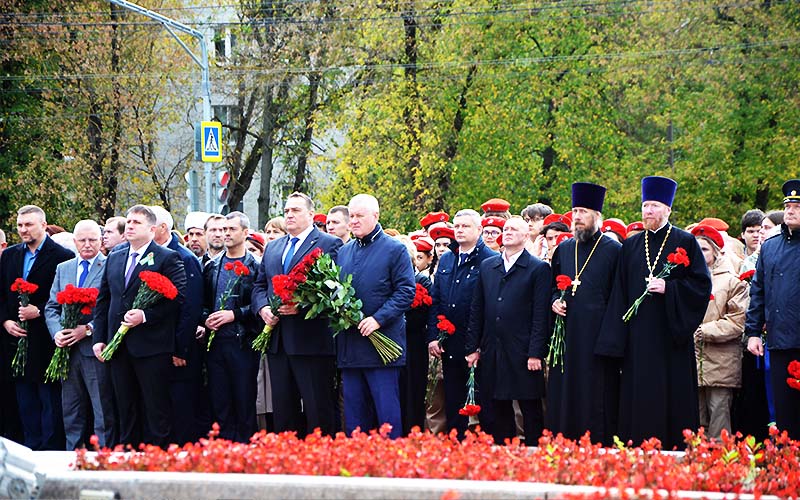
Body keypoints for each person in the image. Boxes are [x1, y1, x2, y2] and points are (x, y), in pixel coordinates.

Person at [596, 176, 711, 449]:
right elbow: (619, 295)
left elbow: (700, 286)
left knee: (671, 395)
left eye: (654, 206)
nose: (648, 211)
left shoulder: (685, 241)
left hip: (670, 338)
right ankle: (637, 446)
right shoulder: (632, 246)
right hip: (638, 338)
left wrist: (669, 289)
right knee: (638, 396)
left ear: (668, 209)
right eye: (645, 206)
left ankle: (674, 448)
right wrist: (615, 341)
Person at [91, 205, 187, 447]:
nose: (130, 226)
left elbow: (178, 298)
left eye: (136, 222)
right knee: (125, 406)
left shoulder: (167, 257)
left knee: (155, 407)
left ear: (152, 229)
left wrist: (145, 316)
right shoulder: (115, 255)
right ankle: (128, 456)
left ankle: (157, 458)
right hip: (118, 345)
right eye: (128, 222)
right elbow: (104, 300)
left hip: (151, 346)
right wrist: (99, 338)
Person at [252, 192, 343, 436]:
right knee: (283, 409)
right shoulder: (274, 247)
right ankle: (288, 461)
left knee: (317, 408)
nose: (289, 215)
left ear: (311, 215)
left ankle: (321, 462)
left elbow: (334, 289)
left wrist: (301, 306)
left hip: (311, 340)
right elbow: (260, 285)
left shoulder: (328, 243)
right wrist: (262, 309)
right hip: (278, 340)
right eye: (286, 211)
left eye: (295, 210)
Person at [546, 183, 622, 445]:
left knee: (595, 396)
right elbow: (553, 287)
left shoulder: (614, 251)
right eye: (574, 211)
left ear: (597, 216)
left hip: (597, 340)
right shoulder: (564, 250)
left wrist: (609, 340)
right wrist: (555, 301)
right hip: (566, 338)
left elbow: (619, 299)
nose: (576, 217)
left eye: (583, 212)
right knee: (564, 393)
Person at [465, 217, 550, 445]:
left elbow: (541, 315)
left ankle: (534, 453)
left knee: (529, 406)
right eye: (506, 229)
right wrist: (472, 347)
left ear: (525, 236)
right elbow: (477, 308)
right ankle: (504, 453)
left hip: (522, 350)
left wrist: (535, 353)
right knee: (496, 405)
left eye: (514, 229)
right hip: (493, 348)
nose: (508, 232)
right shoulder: (488, 266)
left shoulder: (537, 268)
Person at [337, 194, 415, 439]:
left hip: (383, 347)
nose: (354, 221)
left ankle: (391, 465)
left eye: (360, 216)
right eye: (351, 216)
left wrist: (378, 319)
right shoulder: (344, 251)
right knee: (354, 416)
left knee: (386, 415)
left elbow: (405, 291)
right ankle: (357, 465)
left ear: (376, 216)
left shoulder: (395, 249)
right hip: (351, 347)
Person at [0, 205, 74, 450]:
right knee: (25, 404)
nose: (23, 230)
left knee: (49, 403)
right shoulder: (10, 256)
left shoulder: (61, 256)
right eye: (20, 225)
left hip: (45, 342)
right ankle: (29, 450)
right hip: (15, 343)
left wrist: (39, 310)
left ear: (43, 225)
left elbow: (67, 298)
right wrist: (6, 321)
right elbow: (1, 294)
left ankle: (50, 450)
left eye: (28, 225)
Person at [44, 220, 116, 449]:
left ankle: (103, 457)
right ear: (74, 241)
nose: (87, 245)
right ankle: (72, 456)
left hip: (94, 350)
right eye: (82, 240)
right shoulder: (63, 268)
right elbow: (51, 307)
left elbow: (114, 308)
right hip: (66, 350)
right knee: (71, 410)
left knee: (101, 409)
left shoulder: (110, 265)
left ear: (101, 241)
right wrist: (57, 333)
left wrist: (87, 329)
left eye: (92, 240)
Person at [427, 209, 497, 437]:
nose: (459, 230)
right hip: (449, 343)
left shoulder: (490, 260)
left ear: (479, 230)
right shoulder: (447, 258)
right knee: (454, 399)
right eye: (456, 226)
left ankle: (487, 450)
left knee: (483, 404)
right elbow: (435, 299)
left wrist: (478, 345)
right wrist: (434, 337)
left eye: (465, 226)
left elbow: (490, 307)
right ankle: (455, 449)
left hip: (478, 345)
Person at [745, 179, 800, 438]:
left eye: (797, 206)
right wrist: (753, 332)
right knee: (784, 413)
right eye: (788, 205)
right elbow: (758, 293)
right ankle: (786, 467)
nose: (790, 210)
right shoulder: (770, 247)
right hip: (779, 343)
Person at [202, 212, 260, 442]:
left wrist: (233, 315)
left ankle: (247, 448)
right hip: (215, 342)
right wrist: (205, 318)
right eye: (224, 229)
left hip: (243, 342)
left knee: (244, 400)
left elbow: (258, 305)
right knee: (219, 401)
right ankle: (224, 449)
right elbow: (204, 302)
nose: (226, 234)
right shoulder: (212, 266)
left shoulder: (254, 266)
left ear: (245, 233)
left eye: (231, 229)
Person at [151, 206, 206, 445]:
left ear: (162, 228)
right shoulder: (151, 254)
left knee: (181, 407)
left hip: (178, 349)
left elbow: (190, 308)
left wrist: (180, 349)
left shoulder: (184, 258)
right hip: (156, 346)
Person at [691, 225, 748, 439]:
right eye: (695, 249)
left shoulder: (733, 282)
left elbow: (737, 320)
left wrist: (703, 330)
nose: (699, 253)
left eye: (704, 249)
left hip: (721, 361)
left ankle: (720, 466)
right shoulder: (686, 279)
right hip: (692, 359)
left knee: (719, 414)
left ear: (715, 251)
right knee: (694, 419)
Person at [739, 209, 765, 273]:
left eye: (759, 231)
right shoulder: (735, 257)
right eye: (751, 231)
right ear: (743, 235)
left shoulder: (770, 257)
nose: (756, 235)